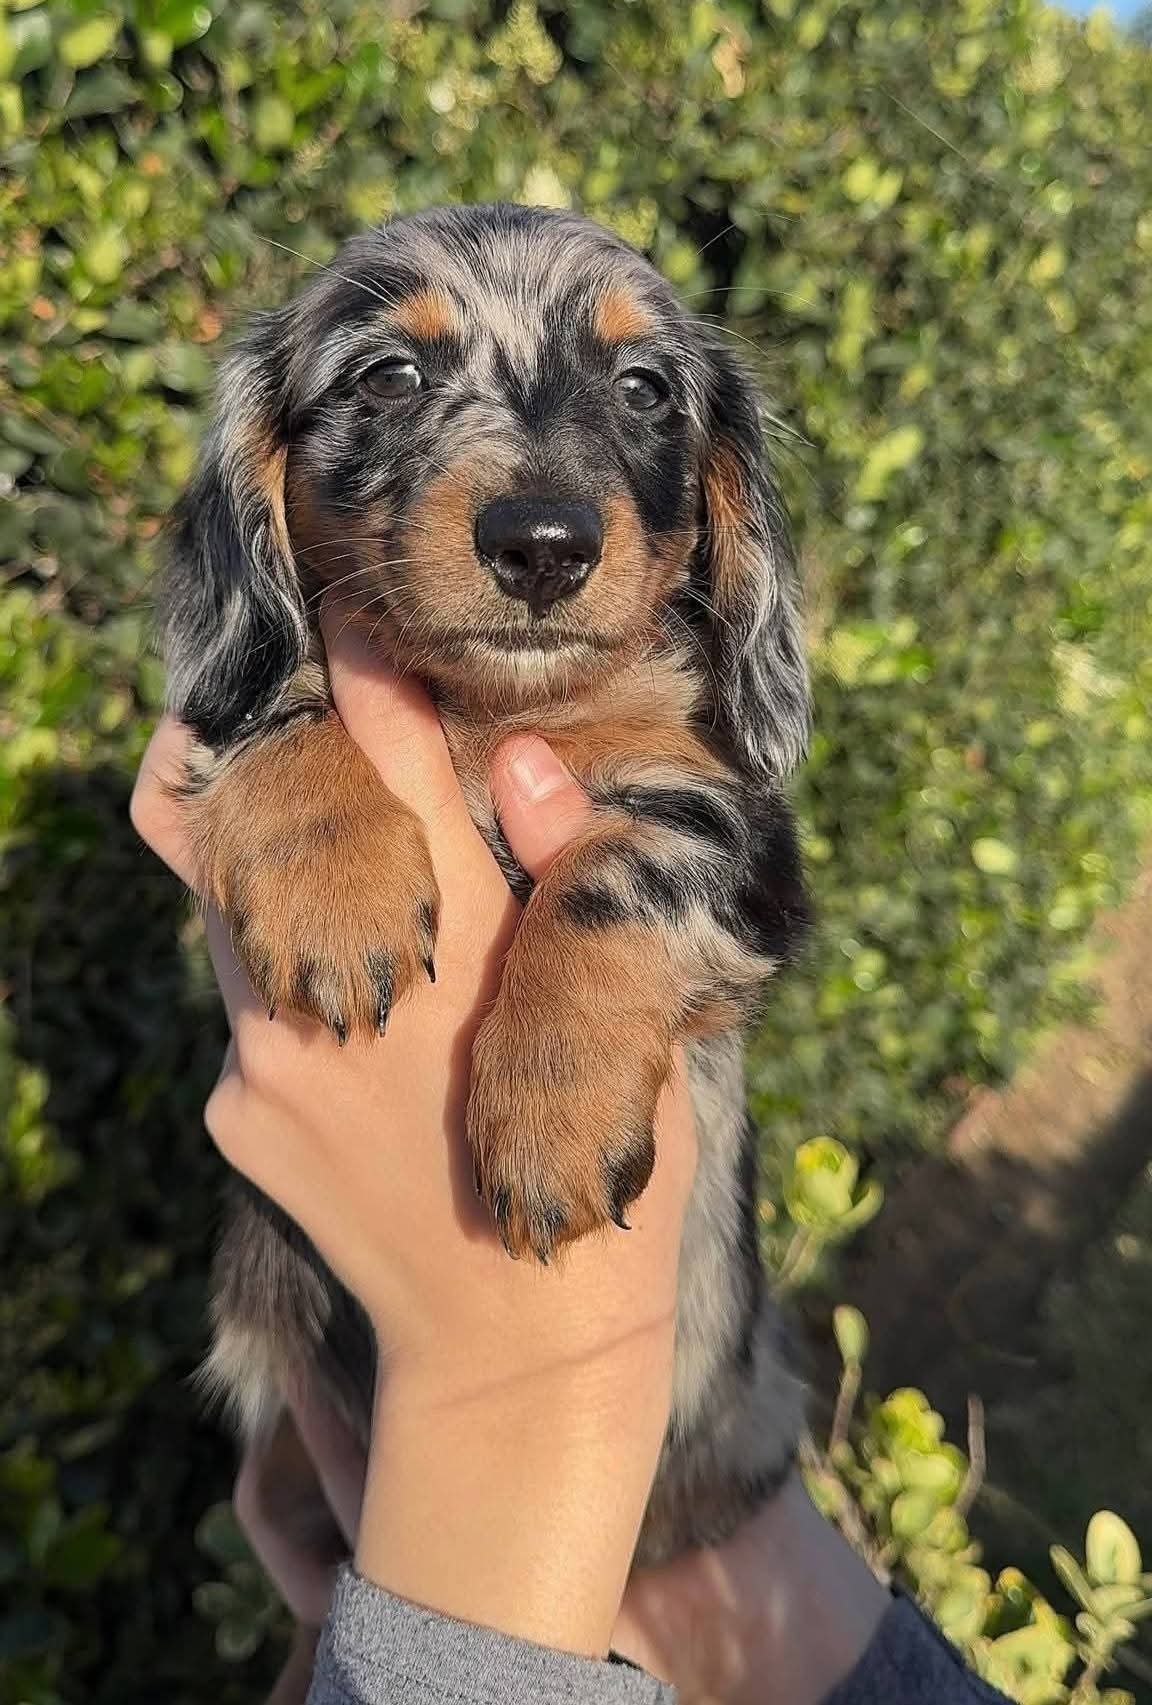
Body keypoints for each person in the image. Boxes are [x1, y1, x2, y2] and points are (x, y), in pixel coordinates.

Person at [131, 611, 1010, 1705]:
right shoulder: (309, 654)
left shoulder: (657, 680)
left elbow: (752, 881)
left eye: (646, 420)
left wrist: (531, 1384)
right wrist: (279, 756)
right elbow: (220, 733)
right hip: (427, 1456)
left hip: (671, 1455)